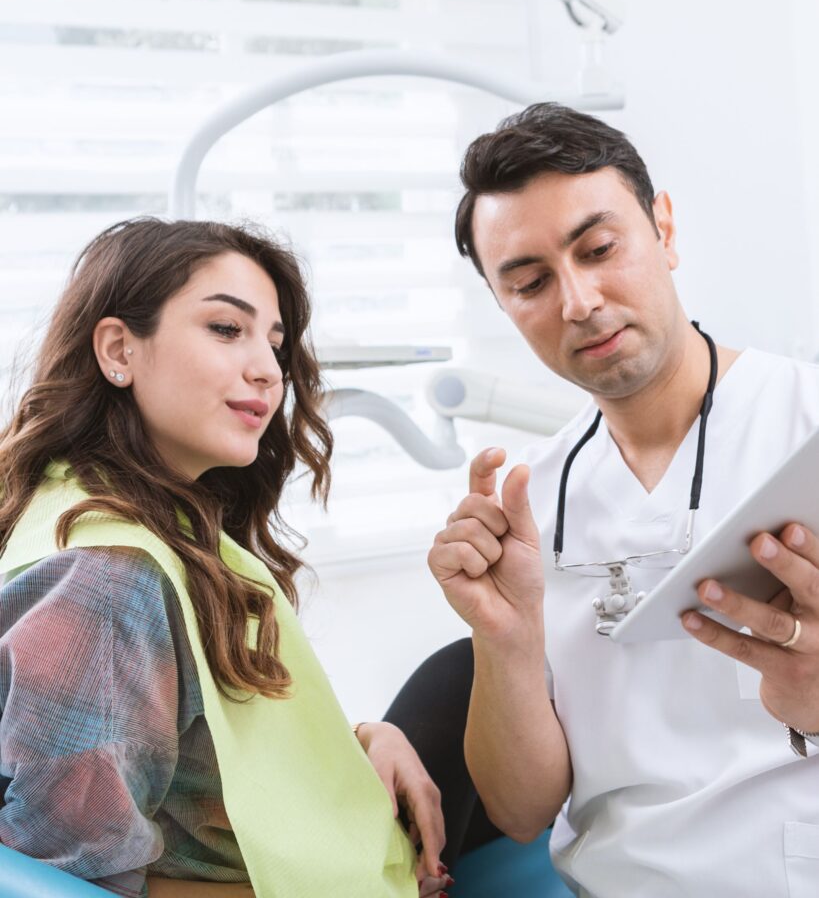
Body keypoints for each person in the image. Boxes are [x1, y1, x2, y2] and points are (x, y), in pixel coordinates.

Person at [427, 103, 819, 897]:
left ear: (663, 231)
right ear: (504, 307)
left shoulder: (802, 421)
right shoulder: (528, 501)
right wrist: (503, 637)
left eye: (599, 249)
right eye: (530, 281)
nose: (577, 301)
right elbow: (520, 810)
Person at [0, 218, 454, 898]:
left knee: (467, 673)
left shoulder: (128, 518)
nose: (268, 371)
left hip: (351, 846)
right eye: (224, 329)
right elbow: (76, 882)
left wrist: (362, 740)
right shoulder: (109, 575)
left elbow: (212, 748)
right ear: (119, 349)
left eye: (274, 343)